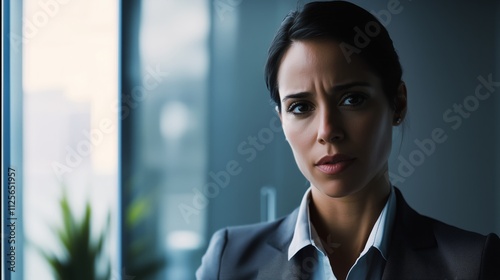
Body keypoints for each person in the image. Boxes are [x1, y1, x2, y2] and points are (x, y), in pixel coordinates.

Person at [196, 1, 500, 279]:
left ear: (398, 103)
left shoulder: (474, 264)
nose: (327, 131)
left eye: (352, 99)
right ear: (282, 122)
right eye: (300, 107)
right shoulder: (228, 261)